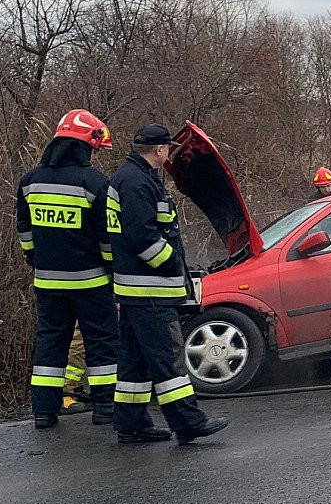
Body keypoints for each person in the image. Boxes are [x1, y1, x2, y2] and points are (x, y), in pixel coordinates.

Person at [107, 124, 229, 445]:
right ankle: (188, 422)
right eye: (167, 149)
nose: (169, 154)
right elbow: (143, 237)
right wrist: (173, 263)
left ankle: (132, 424)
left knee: (134, 362)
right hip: (150, 289)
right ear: (160, 149)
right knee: (168, 356)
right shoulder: (136, 182)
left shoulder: (132, 177)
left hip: (137, 290)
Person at [15, 109, 118, 430]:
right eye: (94, 150)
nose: (95, 156)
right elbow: (106, 238)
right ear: (85, 146)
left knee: (50, 343)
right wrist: (112, 270)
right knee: (101, 342)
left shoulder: (30, 181)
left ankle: (44, 412)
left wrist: (36, 259)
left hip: (47, 282)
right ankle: (105, 407)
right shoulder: (96, 183)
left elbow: (25, 232)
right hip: (91, 282)